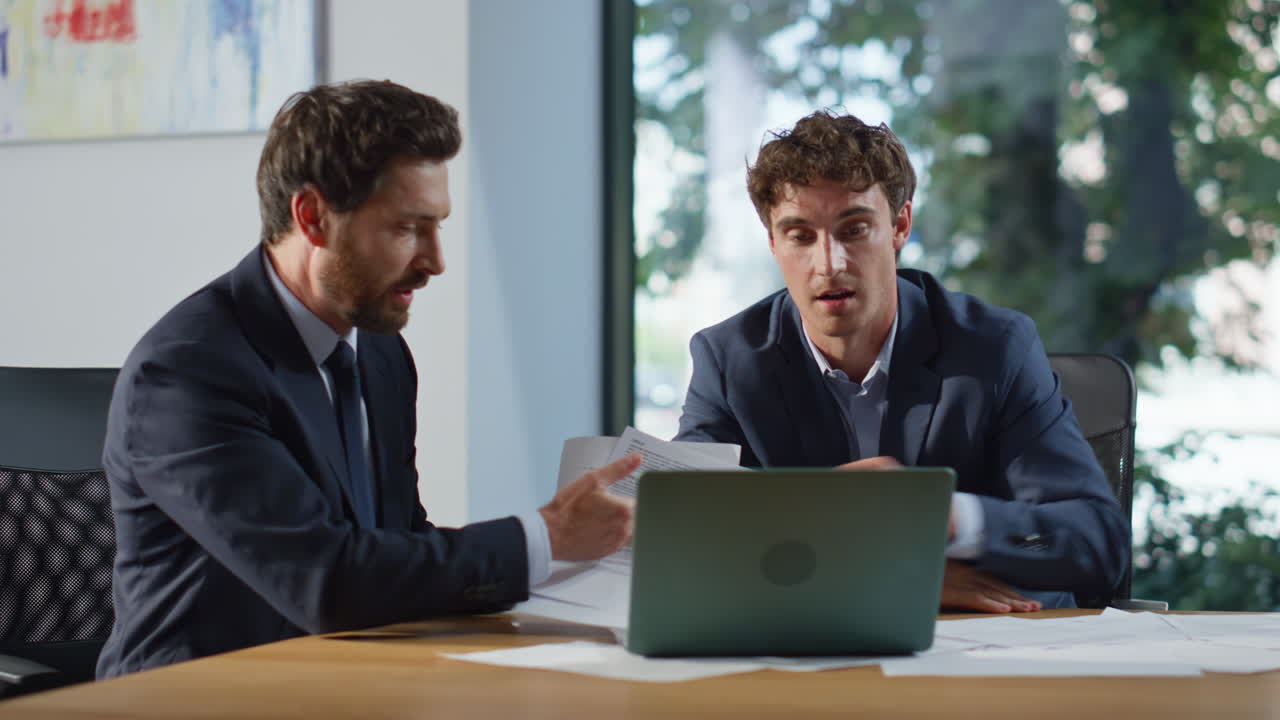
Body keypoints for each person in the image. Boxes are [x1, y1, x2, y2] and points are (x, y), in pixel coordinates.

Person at [97, 80, 638, 678]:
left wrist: (564, 579)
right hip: (193, 700)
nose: (435, 260)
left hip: (338, 682)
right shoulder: (188, 372)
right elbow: (325, 580)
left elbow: (398, 543)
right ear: (313, 217)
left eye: (438, 226)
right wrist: (544, 538)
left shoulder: (380, 354)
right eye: (408, 229)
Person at [674, 110, 1128, 612]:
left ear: (900, 226)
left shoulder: (994, 349)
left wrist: (946, 517)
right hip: (818, 653)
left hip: (988, 656)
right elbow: (686, 543)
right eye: (801, 235)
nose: (830, 264)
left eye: (854, 229)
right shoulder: (729, 362)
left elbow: (1097, 543)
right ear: (774, 243)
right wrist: (890, 577)